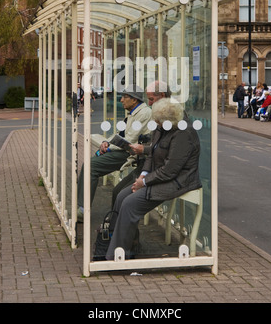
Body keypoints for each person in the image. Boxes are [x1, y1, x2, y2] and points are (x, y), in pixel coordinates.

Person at [105, 98, 201, 261]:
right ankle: (124, 245)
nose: (155, 124)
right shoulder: (161, 127)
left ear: (169, 121)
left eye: (158, 121)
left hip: (178, 180)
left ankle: (116, 254)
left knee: (129, 203)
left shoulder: (184, 134)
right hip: (159, 176)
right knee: (122, 195)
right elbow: (151, 154)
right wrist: (142, 177)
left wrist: (145, 182)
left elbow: (171, 171)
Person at [77, 85, 152, 214]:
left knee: (91, 166)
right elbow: (120, 133)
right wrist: (106, 142)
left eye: (125, 97)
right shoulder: (135, 112)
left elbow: (130, 138)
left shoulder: (144, 113)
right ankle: (82, 207)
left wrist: (109, 148)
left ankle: (83, 210)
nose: (121, 100)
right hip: (124, 150)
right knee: (90, 165)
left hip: (130, 153)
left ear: (134, 100)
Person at [111, 80, 172, 207]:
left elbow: (168, 156)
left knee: (123, 196)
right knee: (119, 192)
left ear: (162, 96)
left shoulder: (172, 120)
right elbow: (154, 150)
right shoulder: (157, 117)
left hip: (160, 172)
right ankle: (115, 226)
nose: (149, 103)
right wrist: (143, 173)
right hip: (149, 166)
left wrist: (144, 179)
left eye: (151, 99)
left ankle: (117, 226)